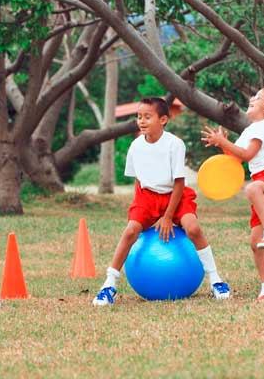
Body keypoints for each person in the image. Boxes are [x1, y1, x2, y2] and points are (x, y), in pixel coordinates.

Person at [93, 97, 230, 306]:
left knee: (192, 228)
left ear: (163, 119)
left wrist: (167, 216)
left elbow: (179, 183)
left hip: (176, 194)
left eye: (148, 117)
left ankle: (216, 280)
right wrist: (139, 210)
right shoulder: (136, 146)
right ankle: (109, 285)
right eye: (139, 117)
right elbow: (138, 180)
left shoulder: (174, 144)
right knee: (130, 231)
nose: (142, 121)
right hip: (147, 197)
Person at [201, 87, 264, 301]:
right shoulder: (250, 130)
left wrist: (224, 143)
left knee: (252, 188)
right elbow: (236, 158)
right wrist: (223, 144)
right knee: (255, 242)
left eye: (257, 97)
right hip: (263, 182)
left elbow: (248, 154)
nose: (251, 99)